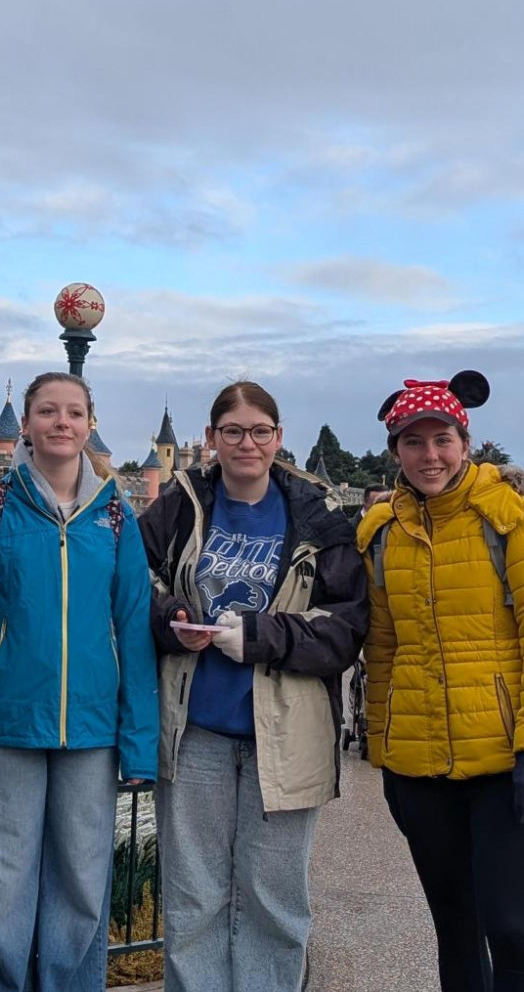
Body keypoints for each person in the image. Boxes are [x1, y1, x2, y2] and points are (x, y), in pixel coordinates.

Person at [143, 379, 367, 992]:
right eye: (234, 431)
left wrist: (263, 637)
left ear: (278, 437)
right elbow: (135, 584)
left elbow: (346, 628)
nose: (247, 443)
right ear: (211, 438)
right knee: (193, 900)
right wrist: (171, 620)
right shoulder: (180, 505)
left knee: (275, 903)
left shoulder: (319, 518)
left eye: (259, 431)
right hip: (196, 733)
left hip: (287, 740)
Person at [0, 371, 158, 992]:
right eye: (47, 411)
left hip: (91, 729)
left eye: (73, 412)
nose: (60, 422)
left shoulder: (115, 515)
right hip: (7, 725)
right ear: (27, 424)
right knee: (1, 882)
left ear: (89, 424)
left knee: (82, 884)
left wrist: (139, 743)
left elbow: (134, 630)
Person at [358, 372, 524, 992]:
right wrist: (381, 747)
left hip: (502, 758)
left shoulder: (506, 520)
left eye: (442, 440)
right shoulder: (382, 533)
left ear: (465, 443)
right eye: (413, 442)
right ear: (395, 451)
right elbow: (382, 648)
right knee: (455, 927)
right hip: (419, 761)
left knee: (511, 927)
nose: (430, 456)